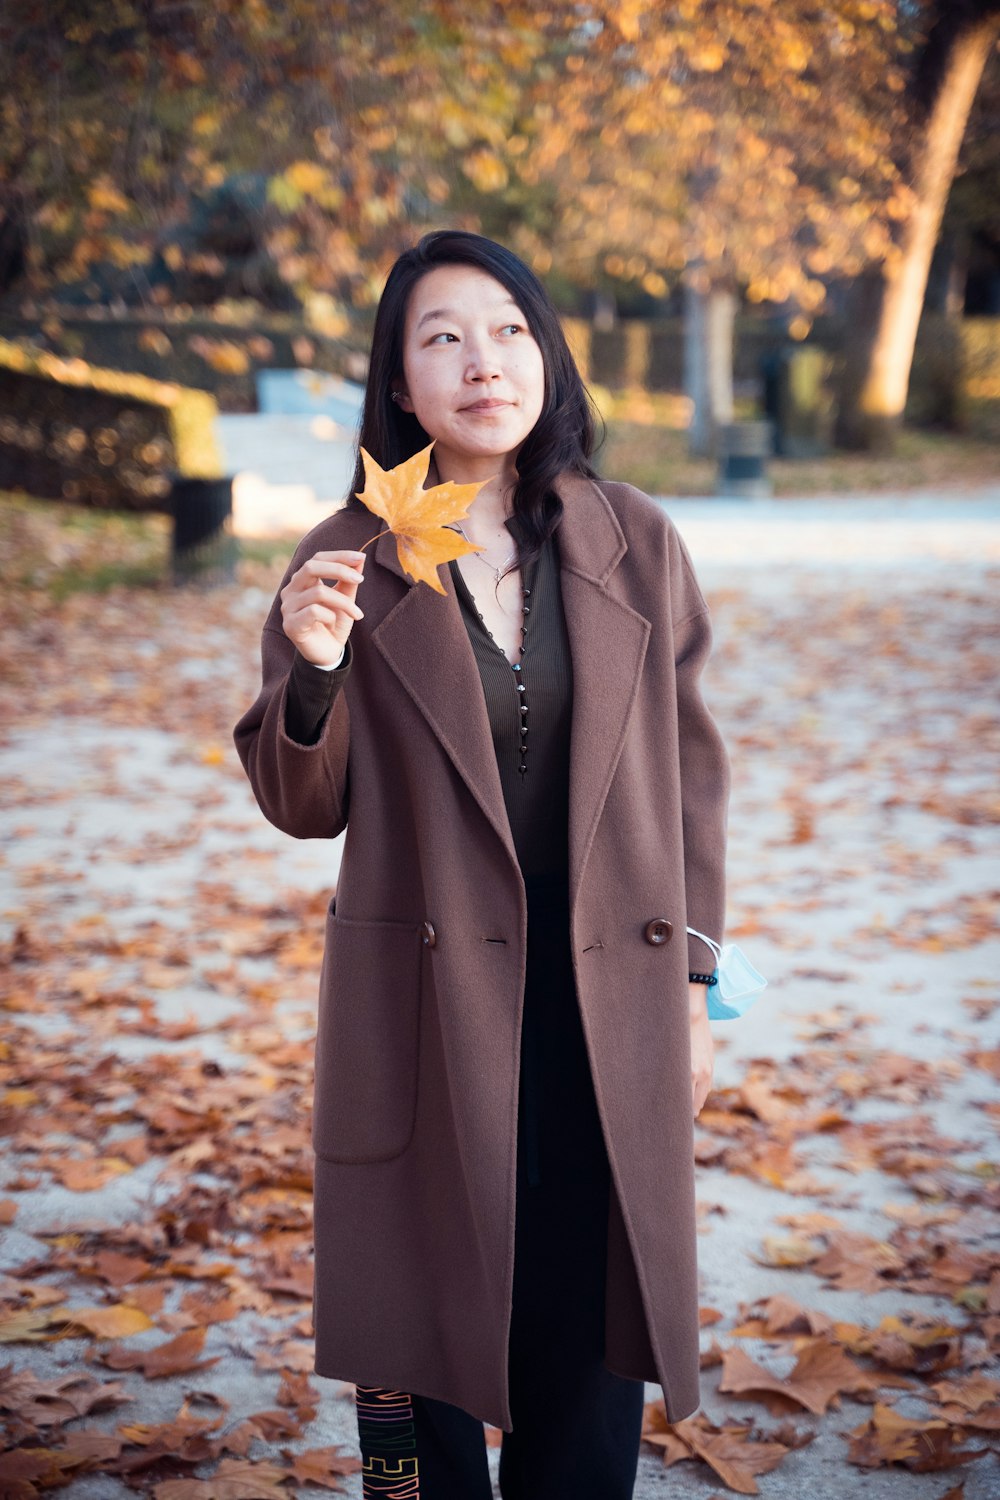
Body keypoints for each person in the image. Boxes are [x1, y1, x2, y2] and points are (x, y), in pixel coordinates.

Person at [233, 229, 731, 1499]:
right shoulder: (346, 552)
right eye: (442, 337)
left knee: (588, 1323)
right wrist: (317, 668)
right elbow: (304, 801)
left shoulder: (632, 538)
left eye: (508, 329)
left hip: (602, 993)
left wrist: (698, 979)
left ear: (547, 358)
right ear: (401, 383)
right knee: (420, 1363)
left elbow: (689, 774)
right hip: (425, 1002)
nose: (482, 362)